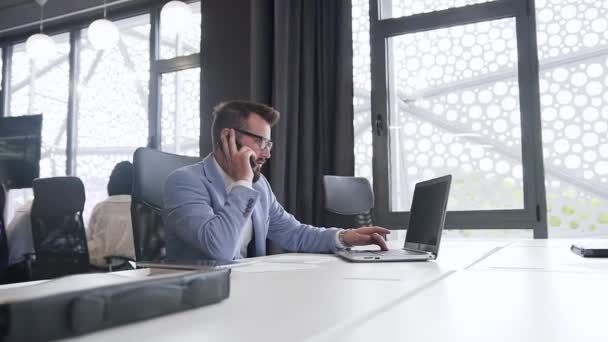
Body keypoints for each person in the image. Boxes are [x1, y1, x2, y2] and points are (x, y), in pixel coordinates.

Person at [163, 100, 390, 262]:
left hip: (247, 292)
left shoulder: (259, 185)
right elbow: (220, 249)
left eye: (268, 144)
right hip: (200, 301)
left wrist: (344, 237)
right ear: (228, 137)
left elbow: (295, 233)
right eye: (261, 142)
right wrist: (242, 183)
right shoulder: (185, 182)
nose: (267, 154)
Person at [87, 161, 135, 266]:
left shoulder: (100, 208)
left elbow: (87, 239)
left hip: (96, 266)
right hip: (129, 268)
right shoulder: (140, 210)